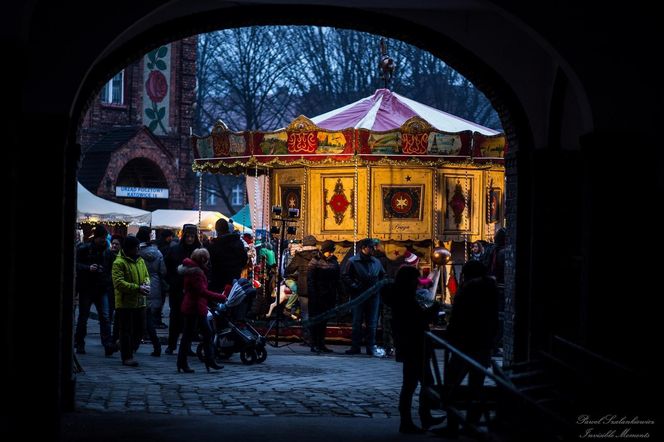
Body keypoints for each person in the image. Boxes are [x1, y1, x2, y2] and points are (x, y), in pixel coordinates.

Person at [385, 265, 445, 434]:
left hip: (412, 344)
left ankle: (422, 416)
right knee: (416, 384)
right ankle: (410, 421)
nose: (417, 282)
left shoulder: (402, 296)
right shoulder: (405, 298)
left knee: (418, 383)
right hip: (413, 345)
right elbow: (416, 319)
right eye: (415, 279)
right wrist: (433, 310)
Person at [442, 260, 499, 436]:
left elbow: (458, 316)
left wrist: (450, 334)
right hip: (484, 343)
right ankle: (471, 424)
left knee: (451, 384)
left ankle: (452, 425)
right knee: (476, 385)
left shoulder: (467, 290)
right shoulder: (492, 288)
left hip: (465, 342)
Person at [176, 248, 227, 373]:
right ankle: (204, 360)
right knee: (200, 334)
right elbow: (202, 291)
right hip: (195, 307)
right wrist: (220, 297)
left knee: (196, 334)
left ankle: (200, 360)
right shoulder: (196, 273)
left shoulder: (192, 270)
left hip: (194, 306)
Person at [341, 238, 386, 356]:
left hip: (373, 295)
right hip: (359, 295)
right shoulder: (353, 261)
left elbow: (383, 275)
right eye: (371, 247)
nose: (373, 249)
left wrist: (378, 286)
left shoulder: (376, 262)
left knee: (372, 322)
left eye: (374, 247)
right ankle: (355, 346)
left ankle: (371, 347)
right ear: (364, 248)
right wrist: (355, 285)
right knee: (357, 321)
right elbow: (345, 276)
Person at [111, 235, 151, 367]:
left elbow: (146, 275)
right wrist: (137, 288)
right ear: (128, 249)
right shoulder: (119, 263)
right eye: (136, 248)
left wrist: (146, 284)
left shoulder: (140, 260)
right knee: (126, 330)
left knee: (140, 329)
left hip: (140, 301)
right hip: (125, 303)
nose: (138, 250)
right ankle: (127, 356)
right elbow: (119, 283)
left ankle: (123, 345)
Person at [74, 225, 113, 356]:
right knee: (83, 317)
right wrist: (88, 268)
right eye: (102, 238)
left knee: (105, 317)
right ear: (96, 237)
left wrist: (106, 278)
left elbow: (109, 269)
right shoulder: (84, 248)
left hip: (102, 287)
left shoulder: (107, 251)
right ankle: (80, 343)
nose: (104, 240)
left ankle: (107, 344)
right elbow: (76, 264)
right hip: (87, 287)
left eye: (104, 238)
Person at [163, 224, 201, 355]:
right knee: (175, 318)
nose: (190, 239)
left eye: (192, 236)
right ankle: (171, 344)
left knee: (190, 320)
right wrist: (172, 281)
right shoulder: (175, 250)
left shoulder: (199, 250)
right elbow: (167, 268)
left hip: (193, 290)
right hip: (177, 288)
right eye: (188, 236)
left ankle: (187, 346)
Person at [306, 240, 341, 354]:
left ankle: (321, 344)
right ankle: (314, 344)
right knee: (316, 320)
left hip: (329, 295)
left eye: (332, 251)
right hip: (317, 296)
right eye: (329, 252)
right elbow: (311, 280)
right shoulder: (315, 261)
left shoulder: (334, 261)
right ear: (324, 251)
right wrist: (314, 295)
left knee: (324, 321)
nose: (331, 254)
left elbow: (337, 278)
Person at [136, 226, 166, 357]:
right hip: (154, 285)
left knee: (138, 317)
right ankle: (156, 345)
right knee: (149, 317)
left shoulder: (136, 253)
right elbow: (163, 271)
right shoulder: (157, 253)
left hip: (139, 284)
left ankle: (134, 345)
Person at [285, 235, 319, 345]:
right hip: (316, 288)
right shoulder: (318, 255)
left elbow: (289, 269)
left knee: (305, 313)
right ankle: (316, 338)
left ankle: (306, 338)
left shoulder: (300, 256)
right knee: (315, 312)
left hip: (303, 288)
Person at [207, 218, 248, 293]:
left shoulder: (214, 245)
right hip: (234, 279)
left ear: (217, 230)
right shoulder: (238, 242)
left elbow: (211, 264)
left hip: (218, 281)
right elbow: (244, 260)